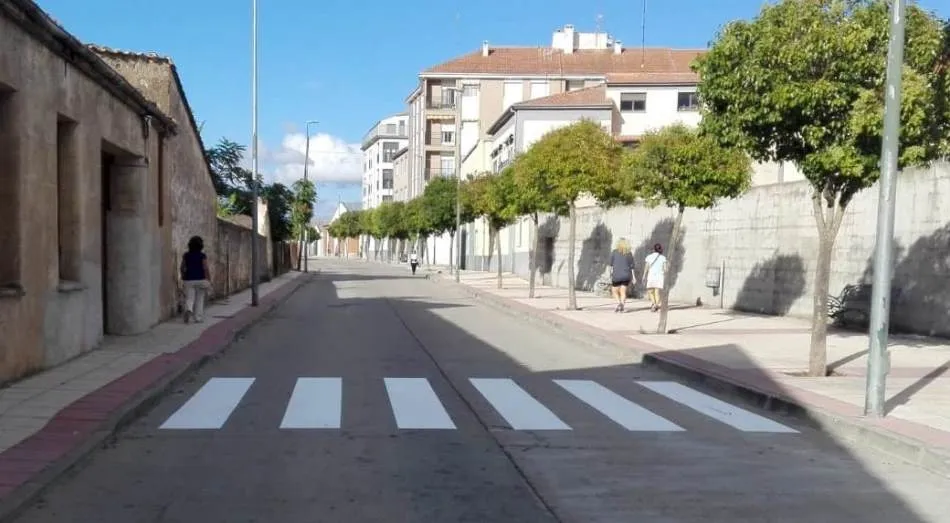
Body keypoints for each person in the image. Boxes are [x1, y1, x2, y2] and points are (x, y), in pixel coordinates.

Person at [180, 235, 211, 323]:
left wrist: (183, 275)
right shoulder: (202, 255)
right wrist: (208, 278)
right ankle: (198, 318)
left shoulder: (186, 255)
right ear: (201, 246)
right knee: (199, 299)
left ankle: (189, 309)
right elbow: (205, 268)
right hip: (201, 279)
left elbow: (182, 267)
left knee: (189, 298)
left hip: (189, 279)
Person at [608, 238, 635, 313]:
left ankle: (619, 303)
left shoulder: (614, 252)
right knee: (623, 291)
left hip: (617, 275)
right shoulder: (629, 253)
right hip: (626, 275)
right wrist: (634, 277)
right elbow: (632, 266)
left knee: (614, 291)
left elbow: (610, 265)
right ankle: (622, 305)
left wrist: (610, 274)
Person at [643, 243, 668, 313]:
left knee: (650, 291)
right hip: (660, 276)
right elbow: (665, 269)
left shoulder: (649, 257)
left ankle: (654, 304)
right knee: (657, 291)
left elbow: (646, 267)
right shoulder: (663, 257)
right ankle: (656, 305)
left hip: (651, 276)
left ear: (653, 249)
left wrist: (644, 276)